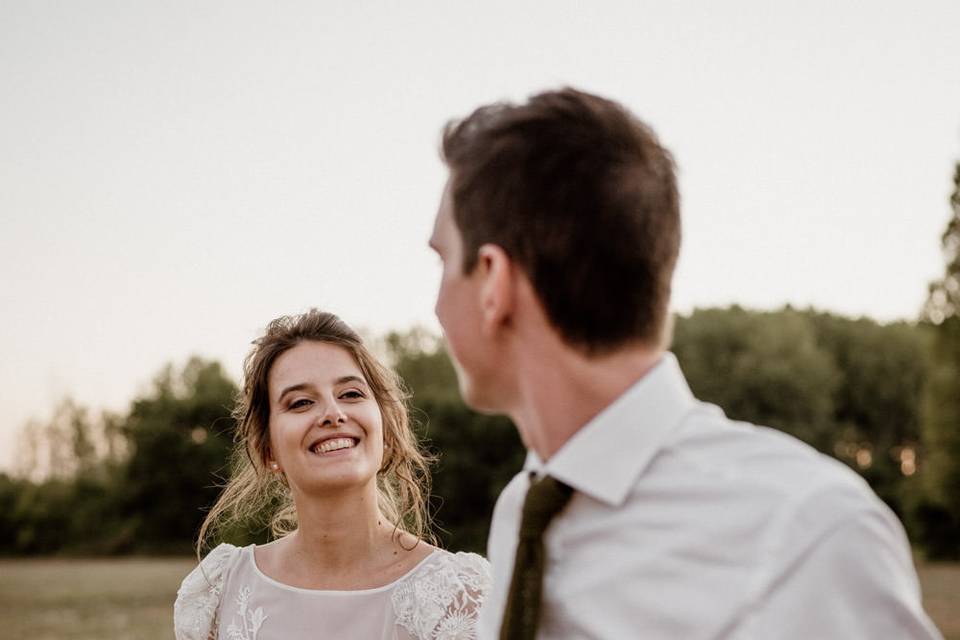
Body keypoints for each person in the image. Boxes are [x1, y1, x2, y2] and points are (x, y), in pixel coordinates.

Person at [428, 87, 942, 639]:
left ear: (493, 283)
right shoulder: (521, 511)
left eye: (442, 261)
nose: (435, 305)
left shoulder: (807, 535)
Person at [173, 310, 490, 640]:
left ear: (387, 429)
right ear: (267, 449)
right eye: (301, 402)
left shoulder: (461, 598)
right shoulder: (219, 593)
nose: (333, 414)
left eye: (351, 394)